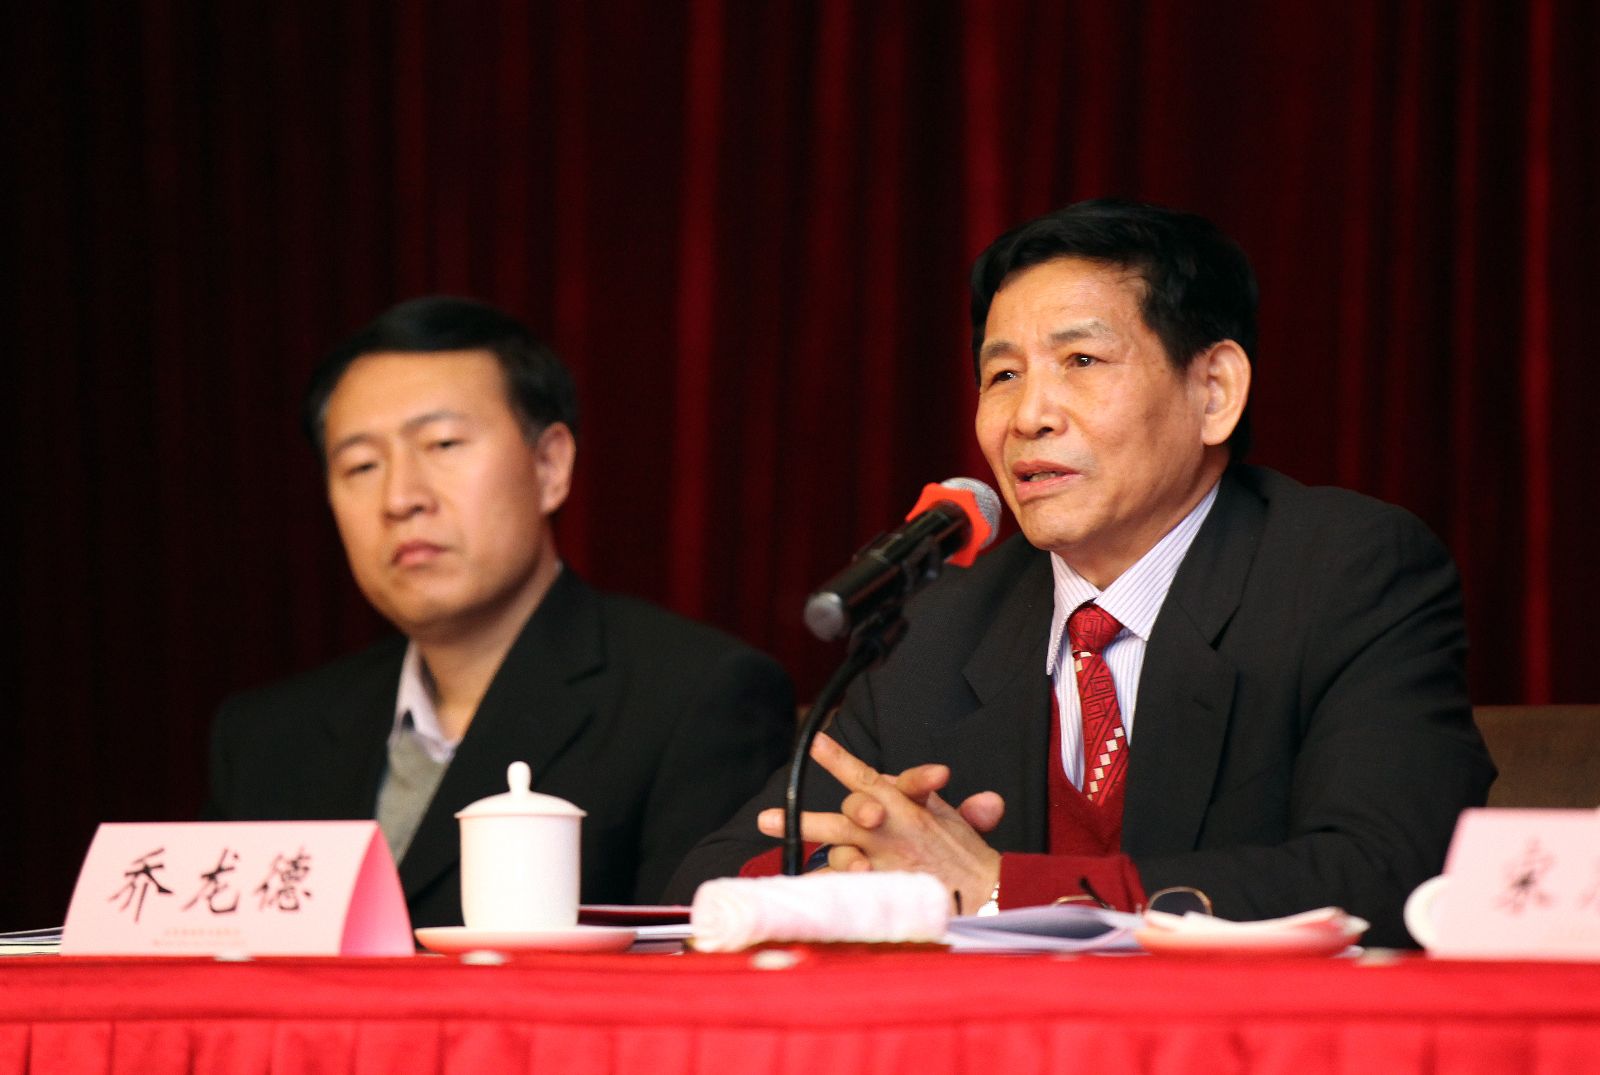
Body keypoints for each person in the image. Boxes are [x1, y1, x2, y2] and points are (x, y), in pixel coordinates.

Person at [666, 199, 1494, 947]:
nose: (1029, 415)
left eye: (1082, 361)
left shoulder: (1344, 572)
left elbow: (1392, 871)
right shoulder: (940, 627)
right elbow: (710, 879)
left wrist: (1000, 890)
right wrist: (858, 880)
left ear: (1214, 391)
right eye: (1002, 375)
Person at [205, 296, 794, 927]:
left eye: (443, 443)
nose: (400, 498)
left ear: (549, 466)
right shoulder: (266, 739)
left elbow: (691, 964)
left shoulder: (695, 699)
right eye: (361, 465)